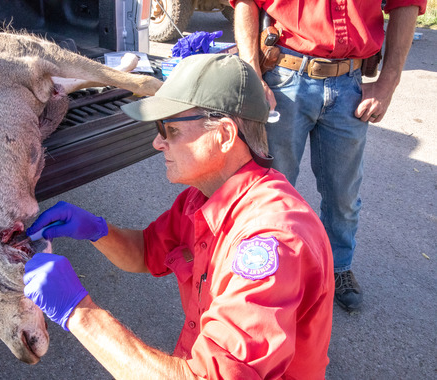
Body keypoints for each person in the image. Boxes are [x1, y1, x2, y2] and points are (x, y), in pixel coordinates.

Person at [23, 54, 334, 379]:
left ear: (225, 135)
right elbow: (146, 252)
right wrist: (96, 230)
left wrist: (78, 312)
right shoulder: (202, 199)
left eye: (169, 129)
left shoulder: (270, 240)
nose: (158, 142)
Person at [231, 0, 426, 311]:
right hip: (284, 76)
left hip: (349, 84)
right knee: (271, 191)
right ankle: (266, 269)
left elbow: (407, 4)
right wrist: (252, 72)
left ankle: (337, 267)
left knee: (343, 195)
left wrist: (388, 83)